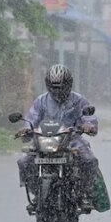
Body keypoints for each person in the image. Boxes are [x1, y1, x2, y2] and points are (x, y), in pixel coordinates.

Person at [16, 64, 99, 211]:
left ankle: (85, 193)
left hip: (72, 140)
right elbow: (31, 119)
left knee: (89, 161)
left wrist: (88, 126)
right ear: (48, 85)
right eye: (54, 87)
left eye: (61, 87)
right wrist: (26, 130)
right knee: (24, 162)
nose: (57, 91)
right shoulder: (41, 101)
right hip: (44, 140)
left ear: (69, 84)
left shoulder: (78, 100)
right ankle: (37, 193)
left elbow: (89, 118)